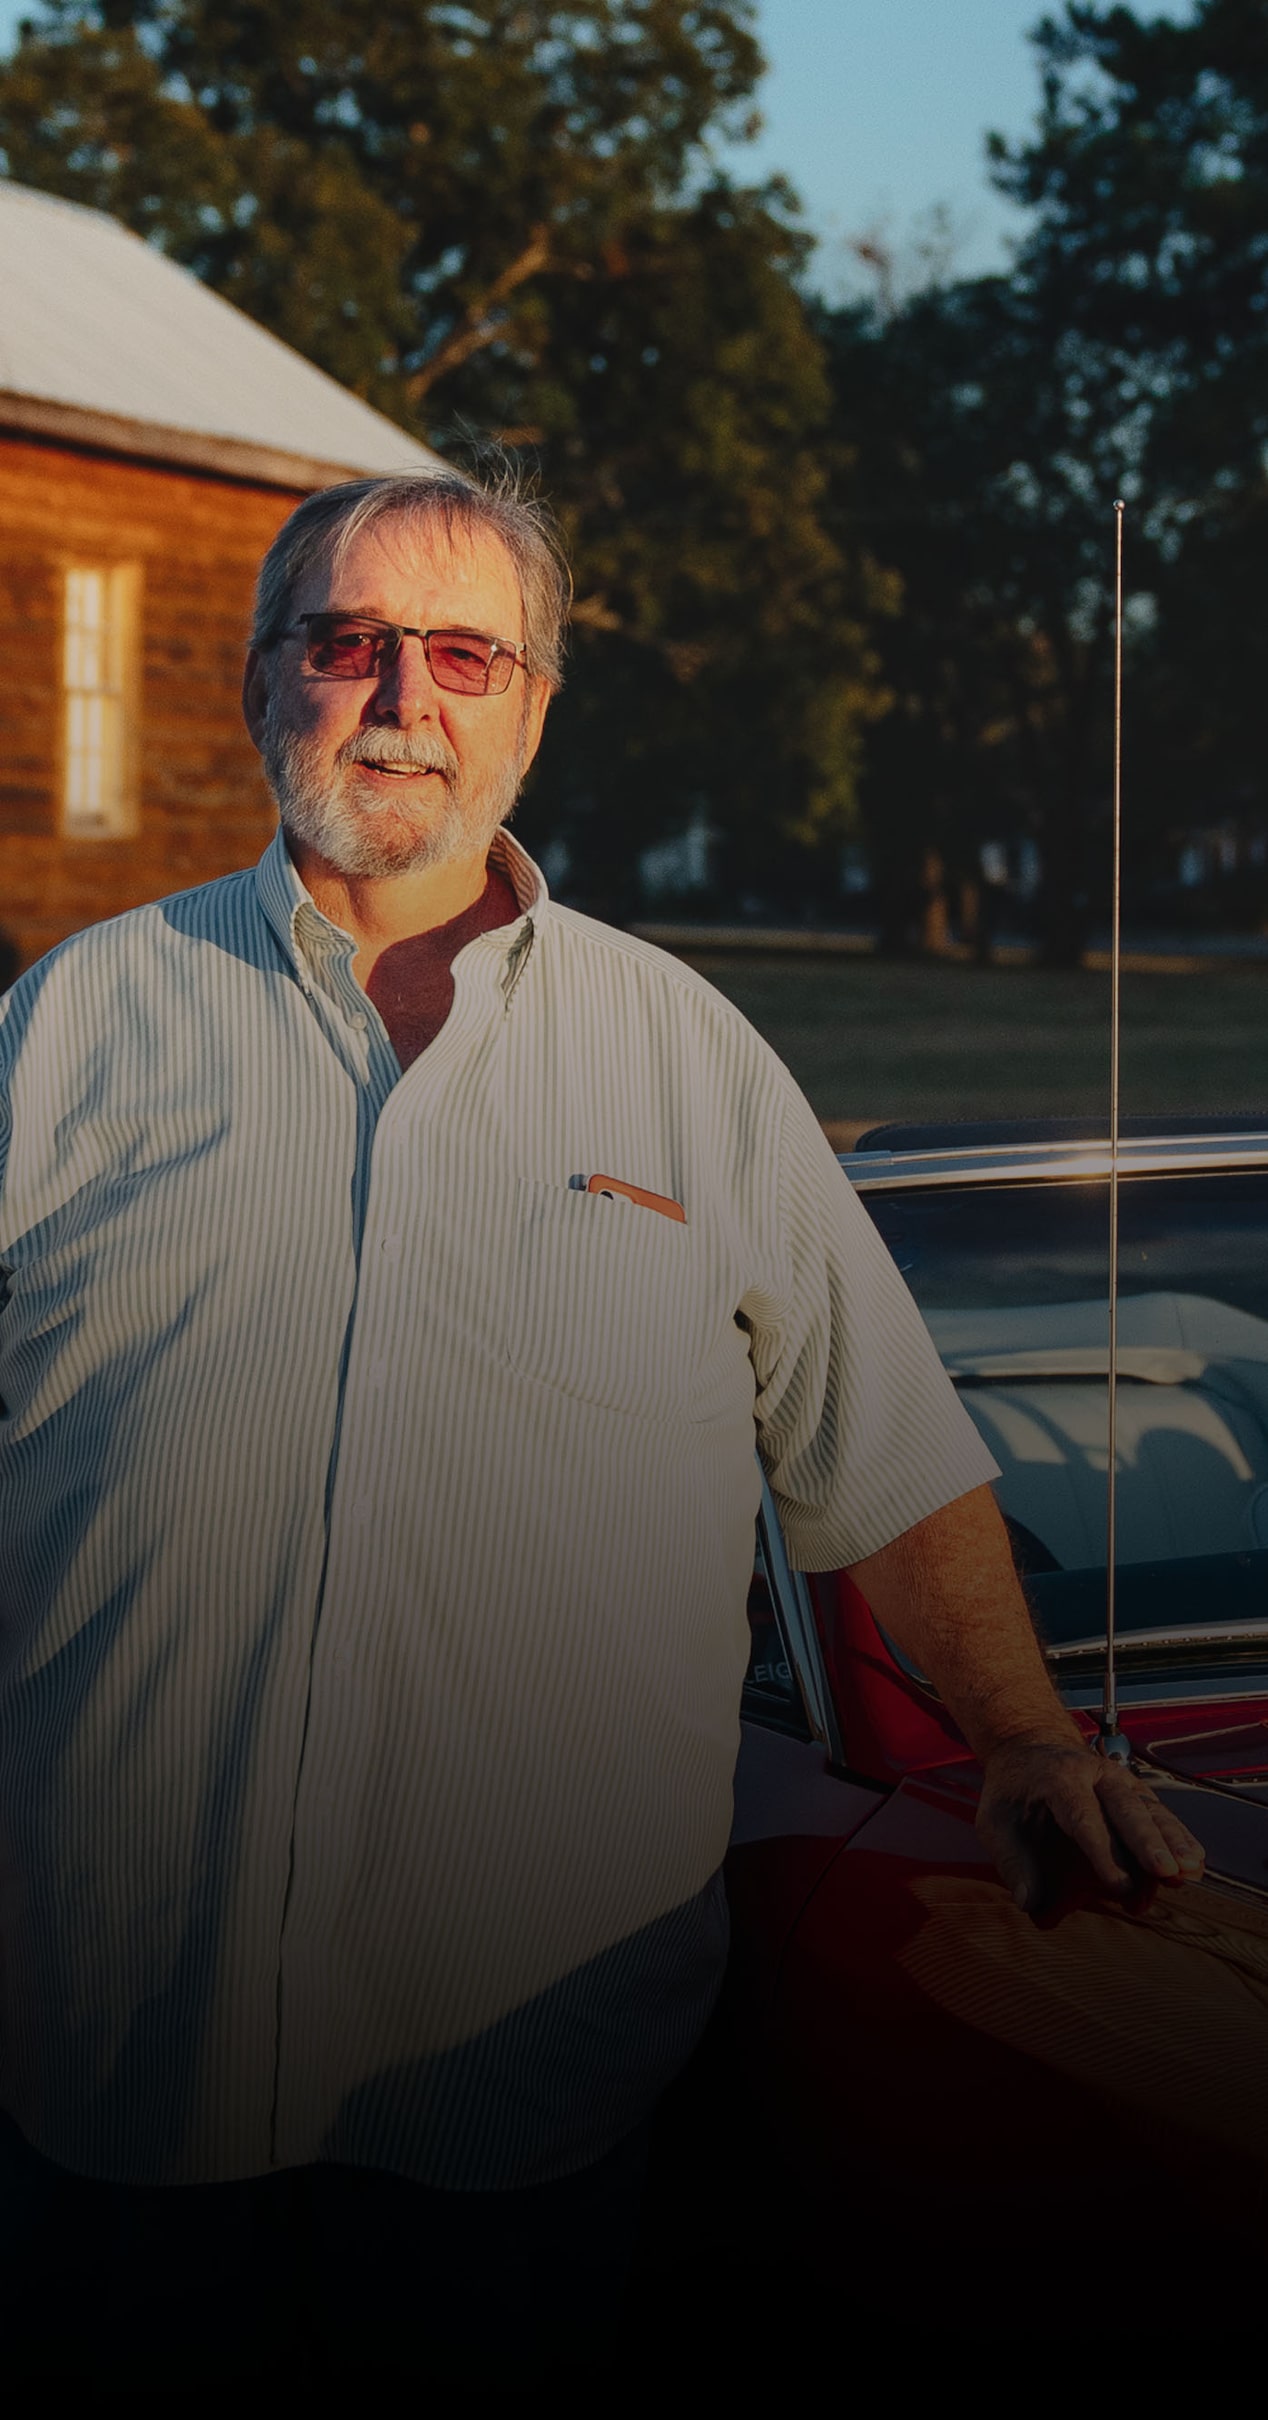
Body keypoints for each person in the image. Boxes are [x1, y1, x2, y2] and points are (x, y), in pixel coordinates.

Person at [0, 467, 1201, 2385]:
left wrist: (1030, 1741)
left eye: (463, 650)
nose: (404, 692)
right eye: (349, 641)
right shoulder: (61, 1033)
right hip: (113, 2050)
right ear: (263, 683)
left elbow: (878, 1450)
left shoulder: (691, 1060)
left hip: (522, 2080)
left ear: (534, 708)